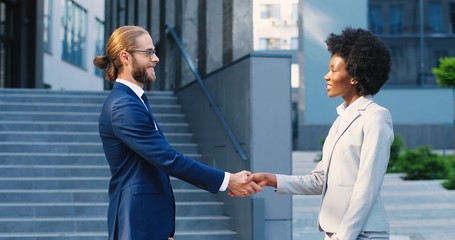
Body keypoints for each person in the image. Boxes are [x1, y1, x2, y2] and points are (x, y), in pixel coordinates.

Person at [93, 25, 261, 240]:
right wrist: (228, 180)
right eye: (149, 52)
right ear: (125, 57)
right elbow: (167, 159)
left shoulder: (134, 101)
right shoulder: (123, 106)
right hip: (136, 222)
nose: (156, 59)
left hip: (146, 221)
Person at [241, 27, 394, 240]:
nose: (326, 76)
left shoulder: (375, 117)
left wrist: (343, 237)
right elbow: (319, 180)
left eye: (333, 70)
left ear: (354, 77)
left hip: (362, 234)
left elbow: (367, 187)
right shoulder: (342, 119)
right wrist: (272, 179)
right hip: (336, 232)